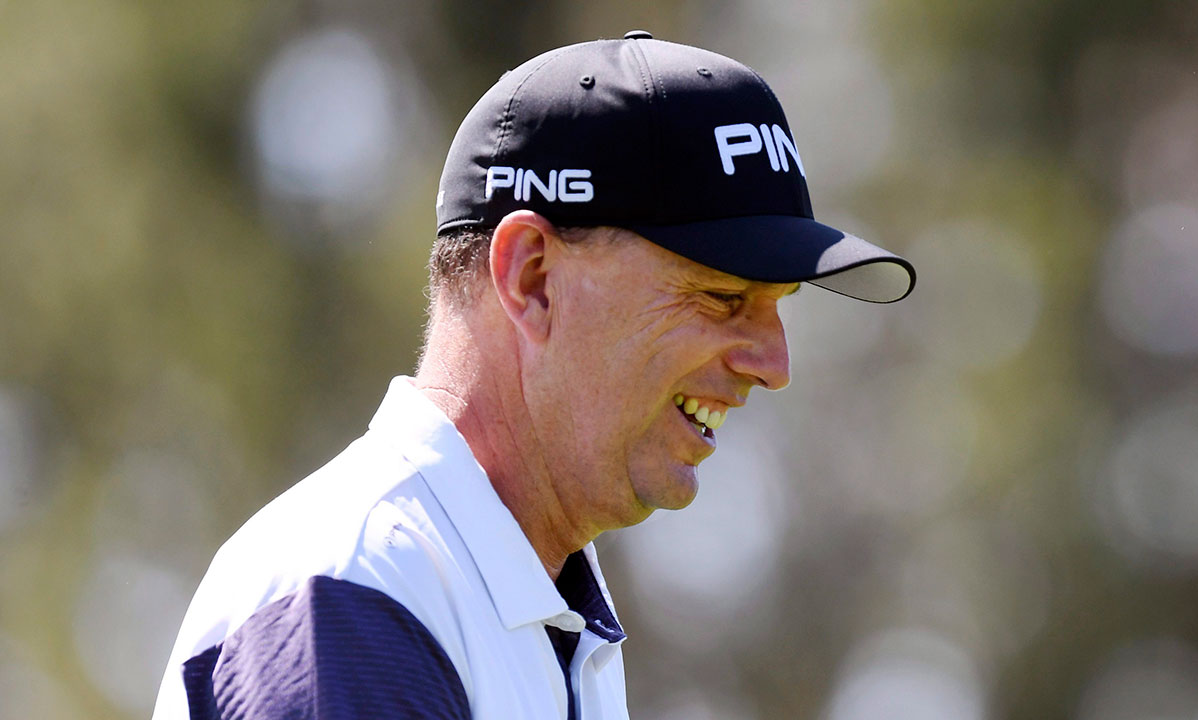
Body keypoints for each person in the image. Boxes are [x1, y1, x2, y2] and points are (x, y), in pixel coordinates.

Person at [152, 31, 915, 720]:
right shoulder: (360, 593)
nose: (774, 365)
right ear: (533, 278)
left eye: (779, 306)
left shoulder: (539, 615)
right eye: (722, 296)